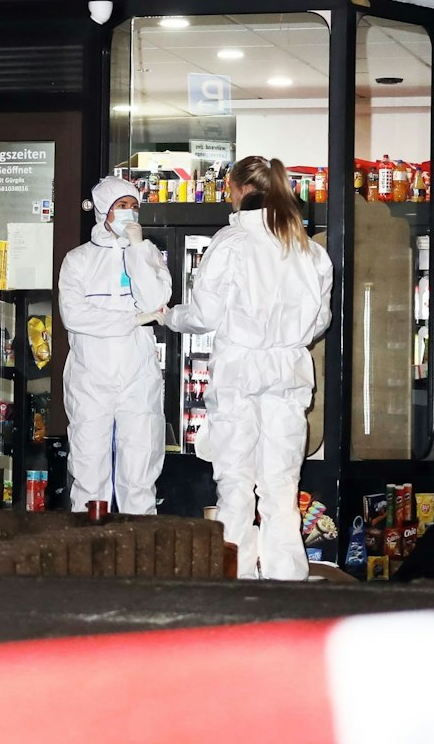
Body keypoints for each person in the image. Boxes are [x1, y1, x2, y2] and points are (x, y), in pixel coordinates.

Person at [162, 156, 333, 580]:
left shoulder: (232, 242)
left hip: (239, 370)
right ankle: (286, 574)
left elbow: (204, 314)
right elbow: (319, 322)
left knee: (235, 480)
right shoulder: (307, 248)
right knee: (282, 483)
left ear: (240, 190)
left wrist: (169, 317)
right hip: (288, 369)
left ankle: (235, 574)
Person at [59, 177, 173, 516]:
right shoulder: (78, 260)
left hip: (138, 375)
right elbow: (74, 315)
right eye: (122, 206)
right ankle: (87, 542)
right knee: (88, 467)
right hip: (90, 377)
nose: (129, 212)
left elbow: (155, 300)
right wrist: (131, 319)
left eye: (134, 206)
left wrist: (137, 250)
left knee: (140, 467)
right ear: (103, 210)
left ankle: (140, 542)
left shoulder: (148, 254)